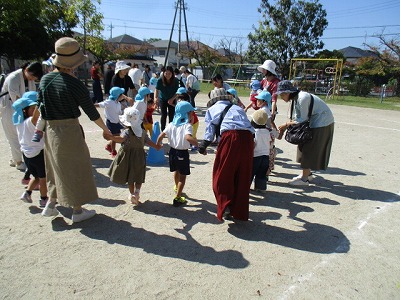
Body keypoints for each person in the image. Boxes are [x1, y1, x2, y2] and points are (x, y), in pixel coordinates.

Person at [37, 37, 113, 222]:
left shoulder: (45, 80)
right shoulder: (73, 83)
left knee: (54, 167)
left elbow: (41, 107)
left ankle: (51, 203)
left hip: (51, 130)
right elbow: (91, 111)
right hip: (69, 130)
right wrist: (106, 130)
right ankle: (77, 210)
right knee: (75, 169)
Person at [198, 88, 255, 221]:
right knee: (242, 176)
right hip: (248, 139)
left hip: (230, 138)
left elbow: (209, 131)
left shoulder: (212, 110)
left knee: (222, 175)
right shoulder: (237, 107)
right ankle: (239, 211)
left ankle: (225, 205)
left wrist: (203, 146)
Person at [276, 80, 334, 186]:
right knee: (303, 146)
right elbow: (297, 117)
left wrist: (286, 125)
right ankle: (308, 174)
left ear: (287, 93)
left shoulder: (302, 98)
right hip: (313, 123)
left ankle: (304, 179)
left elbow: (301, 119)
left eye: (282, 95)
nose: (281, 97)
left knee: (308, 148)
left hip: (321, 123)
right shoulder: (296, 98)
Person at [108, 107, 161, 205]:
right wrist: (156, 146)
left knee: (130, 177)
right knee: (138, 175)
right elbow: (148, 141)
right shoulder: (142, 132)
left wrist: (112, 137)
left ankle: (132, 193)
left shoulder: (126, 132)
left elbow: (121, 139)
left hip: (127, 156)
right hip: (139, 156)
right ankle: (137, 192)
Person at [0, 62, 43, 172]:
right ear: (27, 70)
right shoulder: (13, 77)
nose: (33, 79)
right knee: (13, 135)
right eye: (33, 76)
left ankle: (15, 158)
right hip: (10, 107)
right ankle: (18, 161)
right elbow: (16, 97)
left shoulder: (29, 79)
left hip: (25, 109)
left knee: (24, 134)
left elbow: (33, 94)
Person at [156, 101, 198, 207]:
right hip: (182, 153)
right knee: (183, 177)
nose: (192, 115)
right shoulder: (187, 126)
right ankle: (178, 198)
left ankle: (176, 186)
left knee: (176, 171)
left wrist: (158, 145)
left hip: (172, 152)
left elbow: (161, 136)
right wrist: (197, 144)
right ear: (187, 114)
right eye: (192, 113)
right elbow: (188, 138)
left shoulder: (171, 124)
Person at [11, 92, 48, 207]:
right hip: (38, 154)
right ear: (25, 110)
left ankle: (27, 193)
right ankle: (44, 199)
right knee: (43, 179)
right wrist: (41, 101)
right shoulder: (31, 121)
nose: (34, 110)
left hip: (27, 155)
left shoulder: (19, 122)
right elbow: (37, 115)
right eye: (32, 108)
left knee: (36, 177)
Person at [94, 87, 129, 158]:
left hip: (116, 122)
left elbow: (119, 113)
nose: (123, 96)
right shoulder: (109, 102)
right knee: (114, 136)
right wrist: (91, 105)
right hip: (110, 122)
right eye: (121, 94)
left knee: (117, 135)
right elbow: (100, 104)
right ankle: (113, 151)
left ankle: (109, 146)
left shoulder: (118, 104)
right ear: (118, 96)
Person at [250, 109, 270, 193]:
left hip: (255, 156)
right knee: (262, 173)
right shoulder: (267, 132)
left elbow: (253, 144)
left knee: (250, 173)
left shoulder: (254, 132)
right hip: (265, 155)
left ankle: (245, 187)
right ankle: (261, 188)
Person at [154, 66, 180, 131]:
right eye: (166, 73)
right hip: (162, 99)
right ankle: (163, 130)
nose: (167, 75)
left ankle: (171, 130)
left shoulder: (176, 81)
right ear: (163, 73)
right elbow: (156, 89)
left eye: (169, 74)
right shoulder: (160, 80)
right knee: (163, 115)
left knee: (172, 115)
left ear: (172, 74)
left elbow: (178, 92)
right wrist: (155, 97)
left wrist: (172, 99)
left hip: (172, 99)